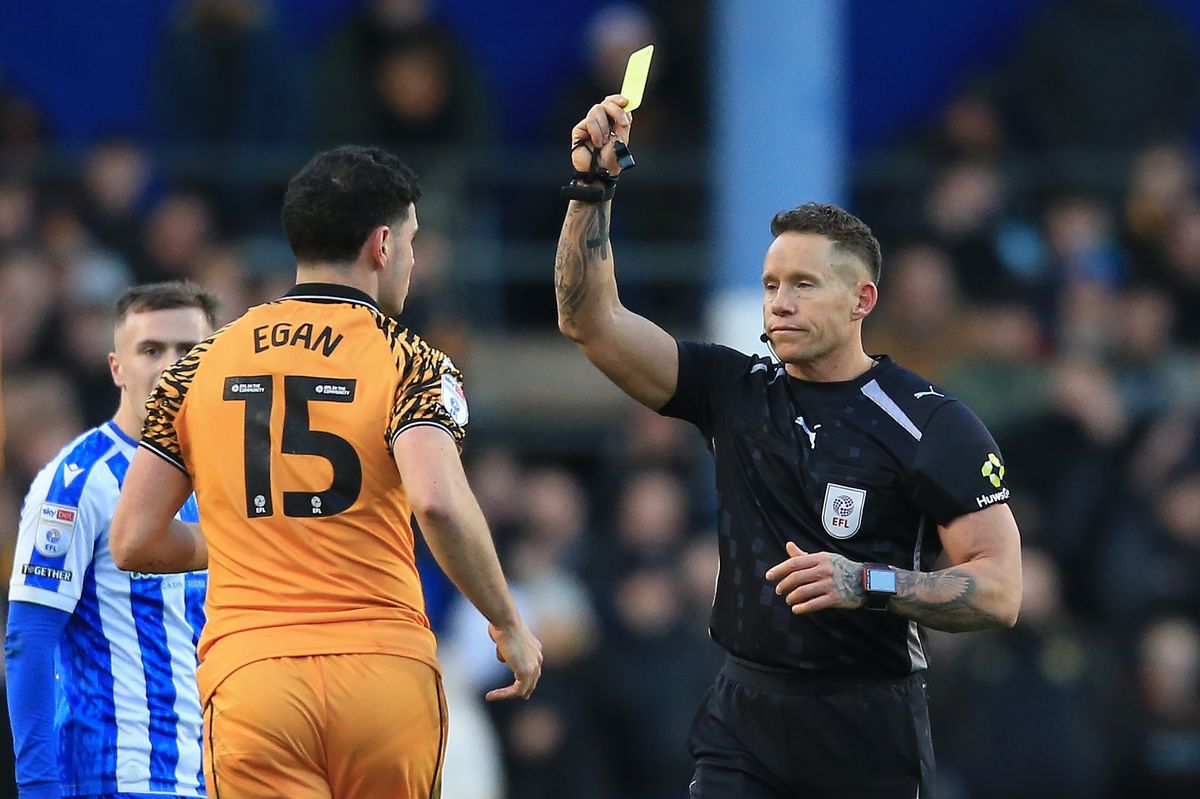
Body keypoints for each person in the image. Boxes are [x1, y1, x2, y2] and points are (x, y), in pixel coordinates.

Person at [554, 95, 1023, 798]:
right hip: (745, 715)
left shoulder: (931, 423)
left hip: (869, 725)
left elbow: (1000, 589)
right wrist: (592, 188)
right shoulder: (732, 388)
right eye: (772, 284)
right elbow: (588, 318)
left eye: (803, 284)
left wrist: (865, 582)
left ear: (862, 299)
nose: (780, 302)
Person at [109, 145, 541, 799]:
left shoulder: (200, 363)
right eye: (413, 243)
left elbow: (133, 538)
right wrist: (507, 620)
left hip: (255, 677)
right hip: (383, 678)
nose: (413, 260)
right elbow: (440, 502)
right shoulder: (412, 361)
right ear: (383, 243)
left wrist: (241, 535)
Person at [5, 281, 217, 799]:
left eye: (189, 351)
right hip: (120, 777)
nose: (171, 366)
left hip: (222, 774)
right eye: (151, 350)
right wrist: (37, 786)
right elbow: (28, 638)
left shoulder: (231, 480)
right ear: (117, 368)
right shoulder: (78, 482)